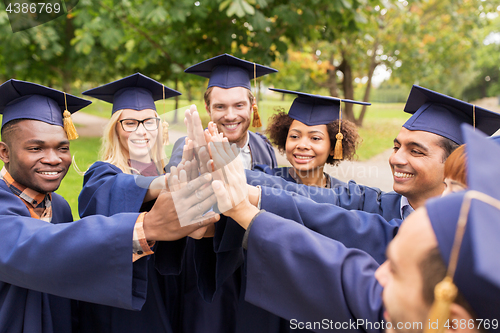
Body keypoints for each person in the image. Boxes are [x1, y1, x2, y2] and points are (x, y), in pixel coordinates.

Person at [209, 124, 500, 333]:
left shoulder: (453, 258)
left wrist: (246, 209)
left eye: (459, 190)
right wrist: (248, 199)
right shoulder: (375, 203)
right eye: (397, 146)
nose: (378, 273)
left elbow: (350, 276)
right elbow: (325, 210)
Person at [0, 79, 218, 333]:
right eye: (36, 148)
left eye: (62, 148)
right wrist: (146, 224)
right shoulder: (102, 174)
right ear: (4, 152)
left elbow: (73, 267)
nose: (52, 159)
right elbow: (37, 246)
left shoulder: (57, 206)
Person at [79, 73, 225, 333]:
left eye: (149, 122)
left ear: (159, 126)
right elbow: (111, 192)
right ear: (116, 127)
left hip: (172, 289)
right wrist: (164, 184)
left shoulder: (167, 168)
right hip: (126, 296)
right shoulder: (102, 172)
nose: (141, 131)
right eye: (130, 123)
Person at [245, 85, 500, 219]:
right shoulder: (367, 204)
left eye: (416, 152)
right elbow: (308, 197)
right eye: (396, 147)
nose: (396, 159)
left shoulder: (471, 231)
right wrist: (237, 176)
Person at [168, 53, 278, 170]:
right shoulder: (188, 149)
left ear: (252, 106)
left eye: (239, 105)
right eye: (220, 107)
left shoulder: (264, 147)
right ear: (208, 109)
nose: (230, 116)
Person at [255, 88, 364, 188]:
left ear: (333, 147)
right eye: (294, 136)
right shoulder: (263, 182)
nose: (302, 145)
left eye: (315, 138)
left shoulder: (343, 195)